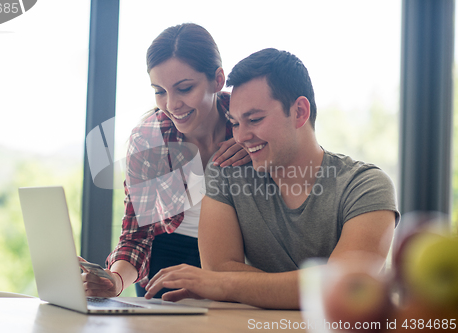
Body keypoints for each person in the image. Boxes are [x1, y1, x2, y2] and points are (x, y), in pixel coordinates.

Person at [142, 48, 400, 309]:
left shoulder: (366, 186)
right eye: (234, 122)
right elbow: (218, 268)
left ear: (299, 112)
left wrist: (228, 284)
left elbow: (343, 289)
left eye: (254, 119)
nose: (240, 137)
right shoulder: (226, 172)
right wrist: (303, 287)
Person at [80, 23, 250, 298]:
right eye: (160, 91)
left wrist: (254, 149)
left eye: (184, 88)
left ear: (218, 80)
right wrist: (115, 282)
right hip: (167, 262)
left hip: (238, 258)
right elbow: (137, 234)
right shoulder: (150, 140)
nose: (171, 104)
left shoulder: (250, 123)